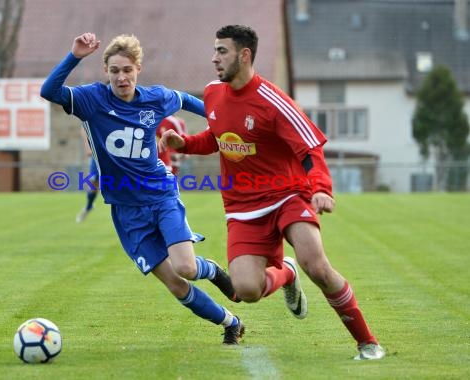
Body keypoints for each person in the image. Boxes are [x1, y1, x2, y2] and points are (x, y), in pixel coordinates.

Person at [159, 25, 385, 359]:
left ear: (244, 55)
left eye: (222, 51)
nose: (214, 58)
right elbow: (220, 137)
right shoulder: (212, 93)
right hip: (241, 207)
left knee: (318, 265)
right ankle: (287, 272)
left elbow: (311, 150)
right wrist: (187, 143)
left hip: (287, 196)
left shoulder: (274, 101)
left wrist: (321, 189)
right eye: (214, 50)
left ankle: (367, 342)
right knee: (246, 290)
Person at [40, 32, 244, 345]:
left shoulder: (155, 98)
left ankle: (213, 271)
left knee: (187, 268)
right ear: (105, 72)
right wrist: (75, 55)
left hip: (161, 196)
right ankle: (231, 322)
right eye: (114, 71)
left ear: (138, 69)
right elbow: (48, 90)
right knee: (176, 285)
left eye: (127, 70)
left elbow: (186, 100)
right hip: (126, 211)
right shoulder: (90, 100)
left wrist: (221, 120)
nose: (121, 77)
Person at [76, 127, 100, 223]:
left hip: (114, 149)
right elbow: (83, 127)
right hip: (97, 151)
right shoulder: (94, 112)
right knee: (94, 181)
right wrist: (88, 147)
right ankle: (89, 205)